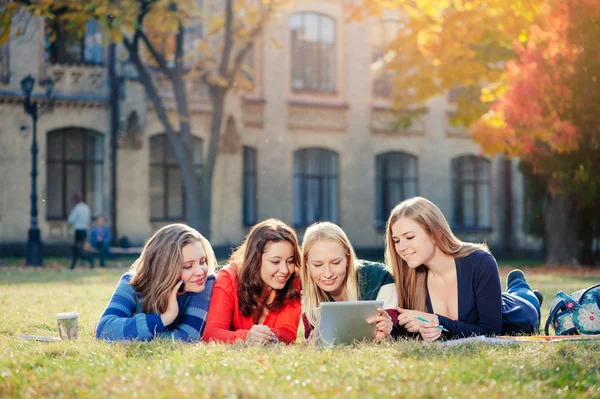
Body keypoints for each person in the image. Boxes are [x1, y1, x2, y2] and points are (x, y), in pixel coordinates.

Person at [385, 196, 543, 342]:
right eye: (396, 240)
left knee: (526, 298)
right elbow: (407, 331)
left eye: (410, 237)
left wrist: (437, 321)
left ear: (435, 233)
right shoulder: (408, 275)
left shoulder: (480, 262)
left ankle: (520, 286)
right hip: (491, 299)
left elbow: (490, 333)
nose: (402, 247)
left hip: (518, 313)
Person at [96, 223, 216, 342]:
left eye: (202, 262)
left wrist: (132, 336)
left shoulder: (205, 283)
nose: (200, 271)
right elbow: (105, 329)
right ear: (164, 268)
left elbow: (188, 336)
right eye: (188, 266)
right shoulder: (132, 282)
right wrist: (165, 318)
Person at [203, 219, 302, 344]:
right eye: (275, 262)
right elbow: (211, 334)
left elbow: (288, 332)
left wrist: (267, 336)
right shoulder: (228, 278)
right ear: (255, 260)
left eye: (290, 261)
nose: (285, 270)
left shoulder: (293, 281)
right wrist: (246, 336)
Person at [300, 222, 396, 341]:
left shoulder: (381, 277)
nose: (327, 274)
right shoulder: (306, 290)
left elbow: (395, 333)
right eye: (317, 265)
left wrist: (387, 334)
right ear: (306, 263)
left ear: (348, 258)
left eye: (336, 263)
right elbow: (313, 337)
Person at [67, 193, 94, 269]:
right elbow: (89, 220)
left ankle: (89, 259)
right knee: (77, 248)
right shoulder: (86, 207)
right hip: (84, 230)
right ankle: (73, 265)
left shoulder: (77, 208)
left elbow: (71, 219)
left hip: (78, 230)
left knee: (78, 248)